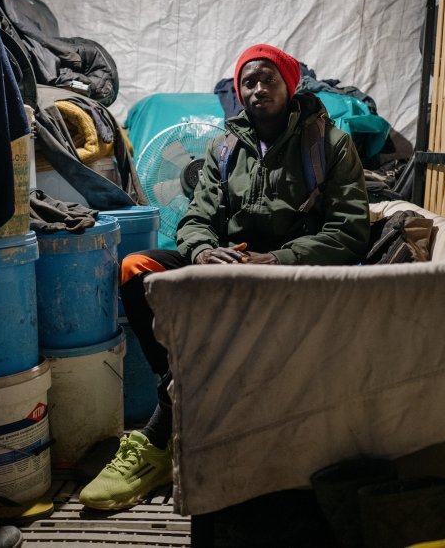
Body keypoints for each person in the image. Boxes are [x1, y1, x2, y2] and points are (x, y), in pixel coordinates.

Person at [78, 43, 371, 510]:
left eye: (267, 79)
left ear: (289, 85)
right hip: (230, 262)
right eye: (248, 82)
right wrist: (202, 250)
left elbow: (349, 229)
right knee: (137, 270)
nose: (257, 89)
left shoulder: (329, 145)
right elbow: (196, 218)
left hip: (291, 270)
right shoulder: (223, 145)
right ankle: (184, 386)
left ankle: (164, 427)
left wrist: (279, 260)